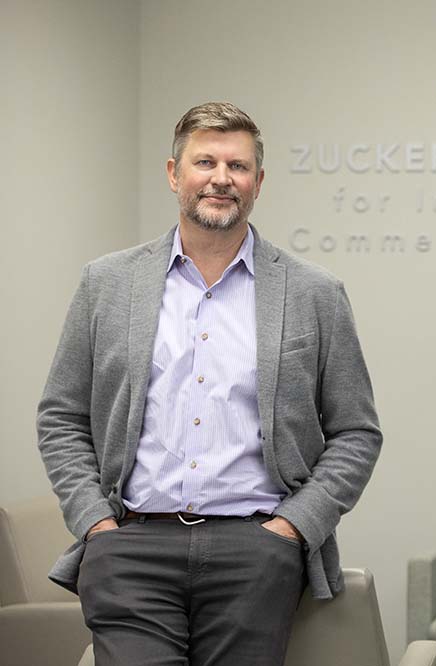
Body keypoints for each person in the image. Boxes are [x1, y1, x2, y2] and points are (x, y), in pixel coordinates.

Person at [37, 101, 382, 665]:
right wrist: (94, 524)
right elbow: (61, 415)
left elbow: (356, 432)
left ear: (258, 182)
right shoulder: (107, 283)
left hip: (257, 551)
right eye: (205, 162)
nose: (222, 178)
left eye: (238, 166)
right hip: (131, 546)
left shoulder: (315, 293)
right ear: (174, 174)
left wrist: (291, 529)